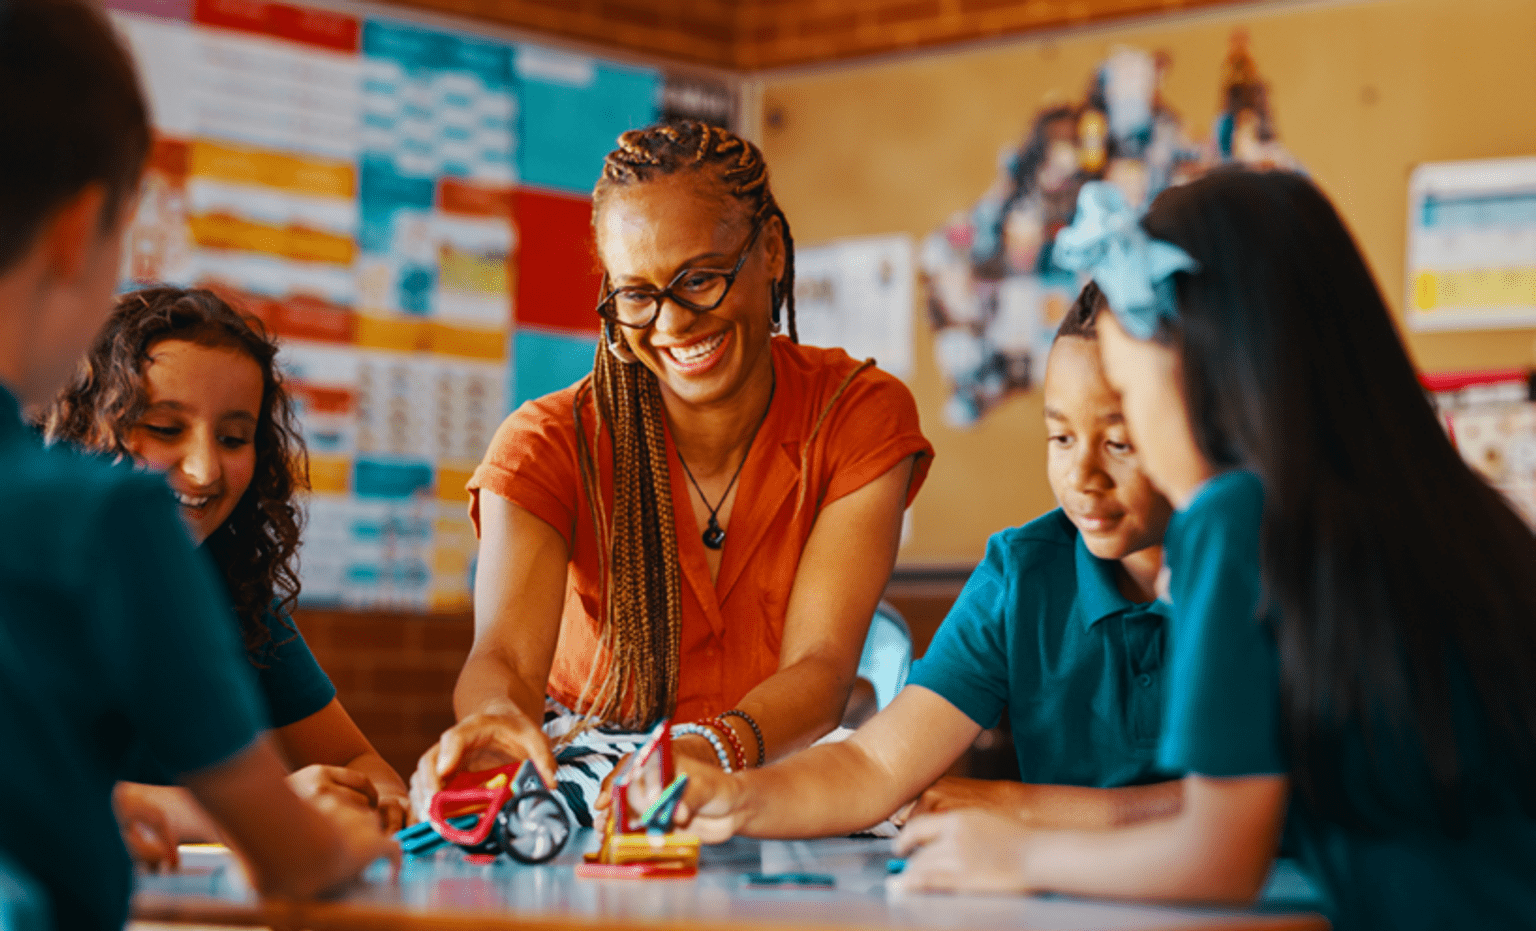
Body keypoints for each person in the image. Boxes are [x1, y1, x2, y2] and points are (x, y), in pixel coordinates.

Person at [891, 174, 1536, 930]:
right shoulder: (1463, 513)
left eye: (1130, 401)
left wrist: (1011, 857)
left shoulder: (1234, 519)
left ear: (1209, 370)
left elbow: (1217, 854)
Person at [412, 119, 933, 825]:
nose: (673, 323)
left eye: (700, 279)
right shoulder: (545, 444)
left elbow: (821, 668)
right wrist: (497, 720)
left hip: (773, 765)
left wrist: (705, 750)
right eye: (637, 294)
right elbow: (503, 656)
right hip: (591, 777)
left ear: (771, 251)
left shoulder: (856, 415)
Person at [0, 1, 396, 927]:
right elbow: (296, 860)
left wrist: (108, 802)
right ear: (80, 230)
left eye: (233, 434)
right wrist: (323, 831)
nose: (200, 469)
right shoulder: (101, 522)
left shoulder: (223, 584)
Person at [669, 283, 1184, 840]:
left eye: (1119, 444)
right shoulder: (1022, 576)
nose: (1082, 477)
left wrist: (1017, 804)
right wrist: (733, 796)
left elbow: (1251, 812)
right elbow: (874, 767)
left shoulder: (1261, 576)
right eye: (1060, 437)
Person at [40, 287, 412, 845]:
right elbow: (32, 792)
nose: (203, 469)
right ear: (82, 426)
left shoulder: (234, 590)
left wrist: (375, 803)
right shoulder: (27, 570)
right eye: (165, 429)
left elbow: (357, 759)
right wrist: (271, 814)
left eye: (235, 438)